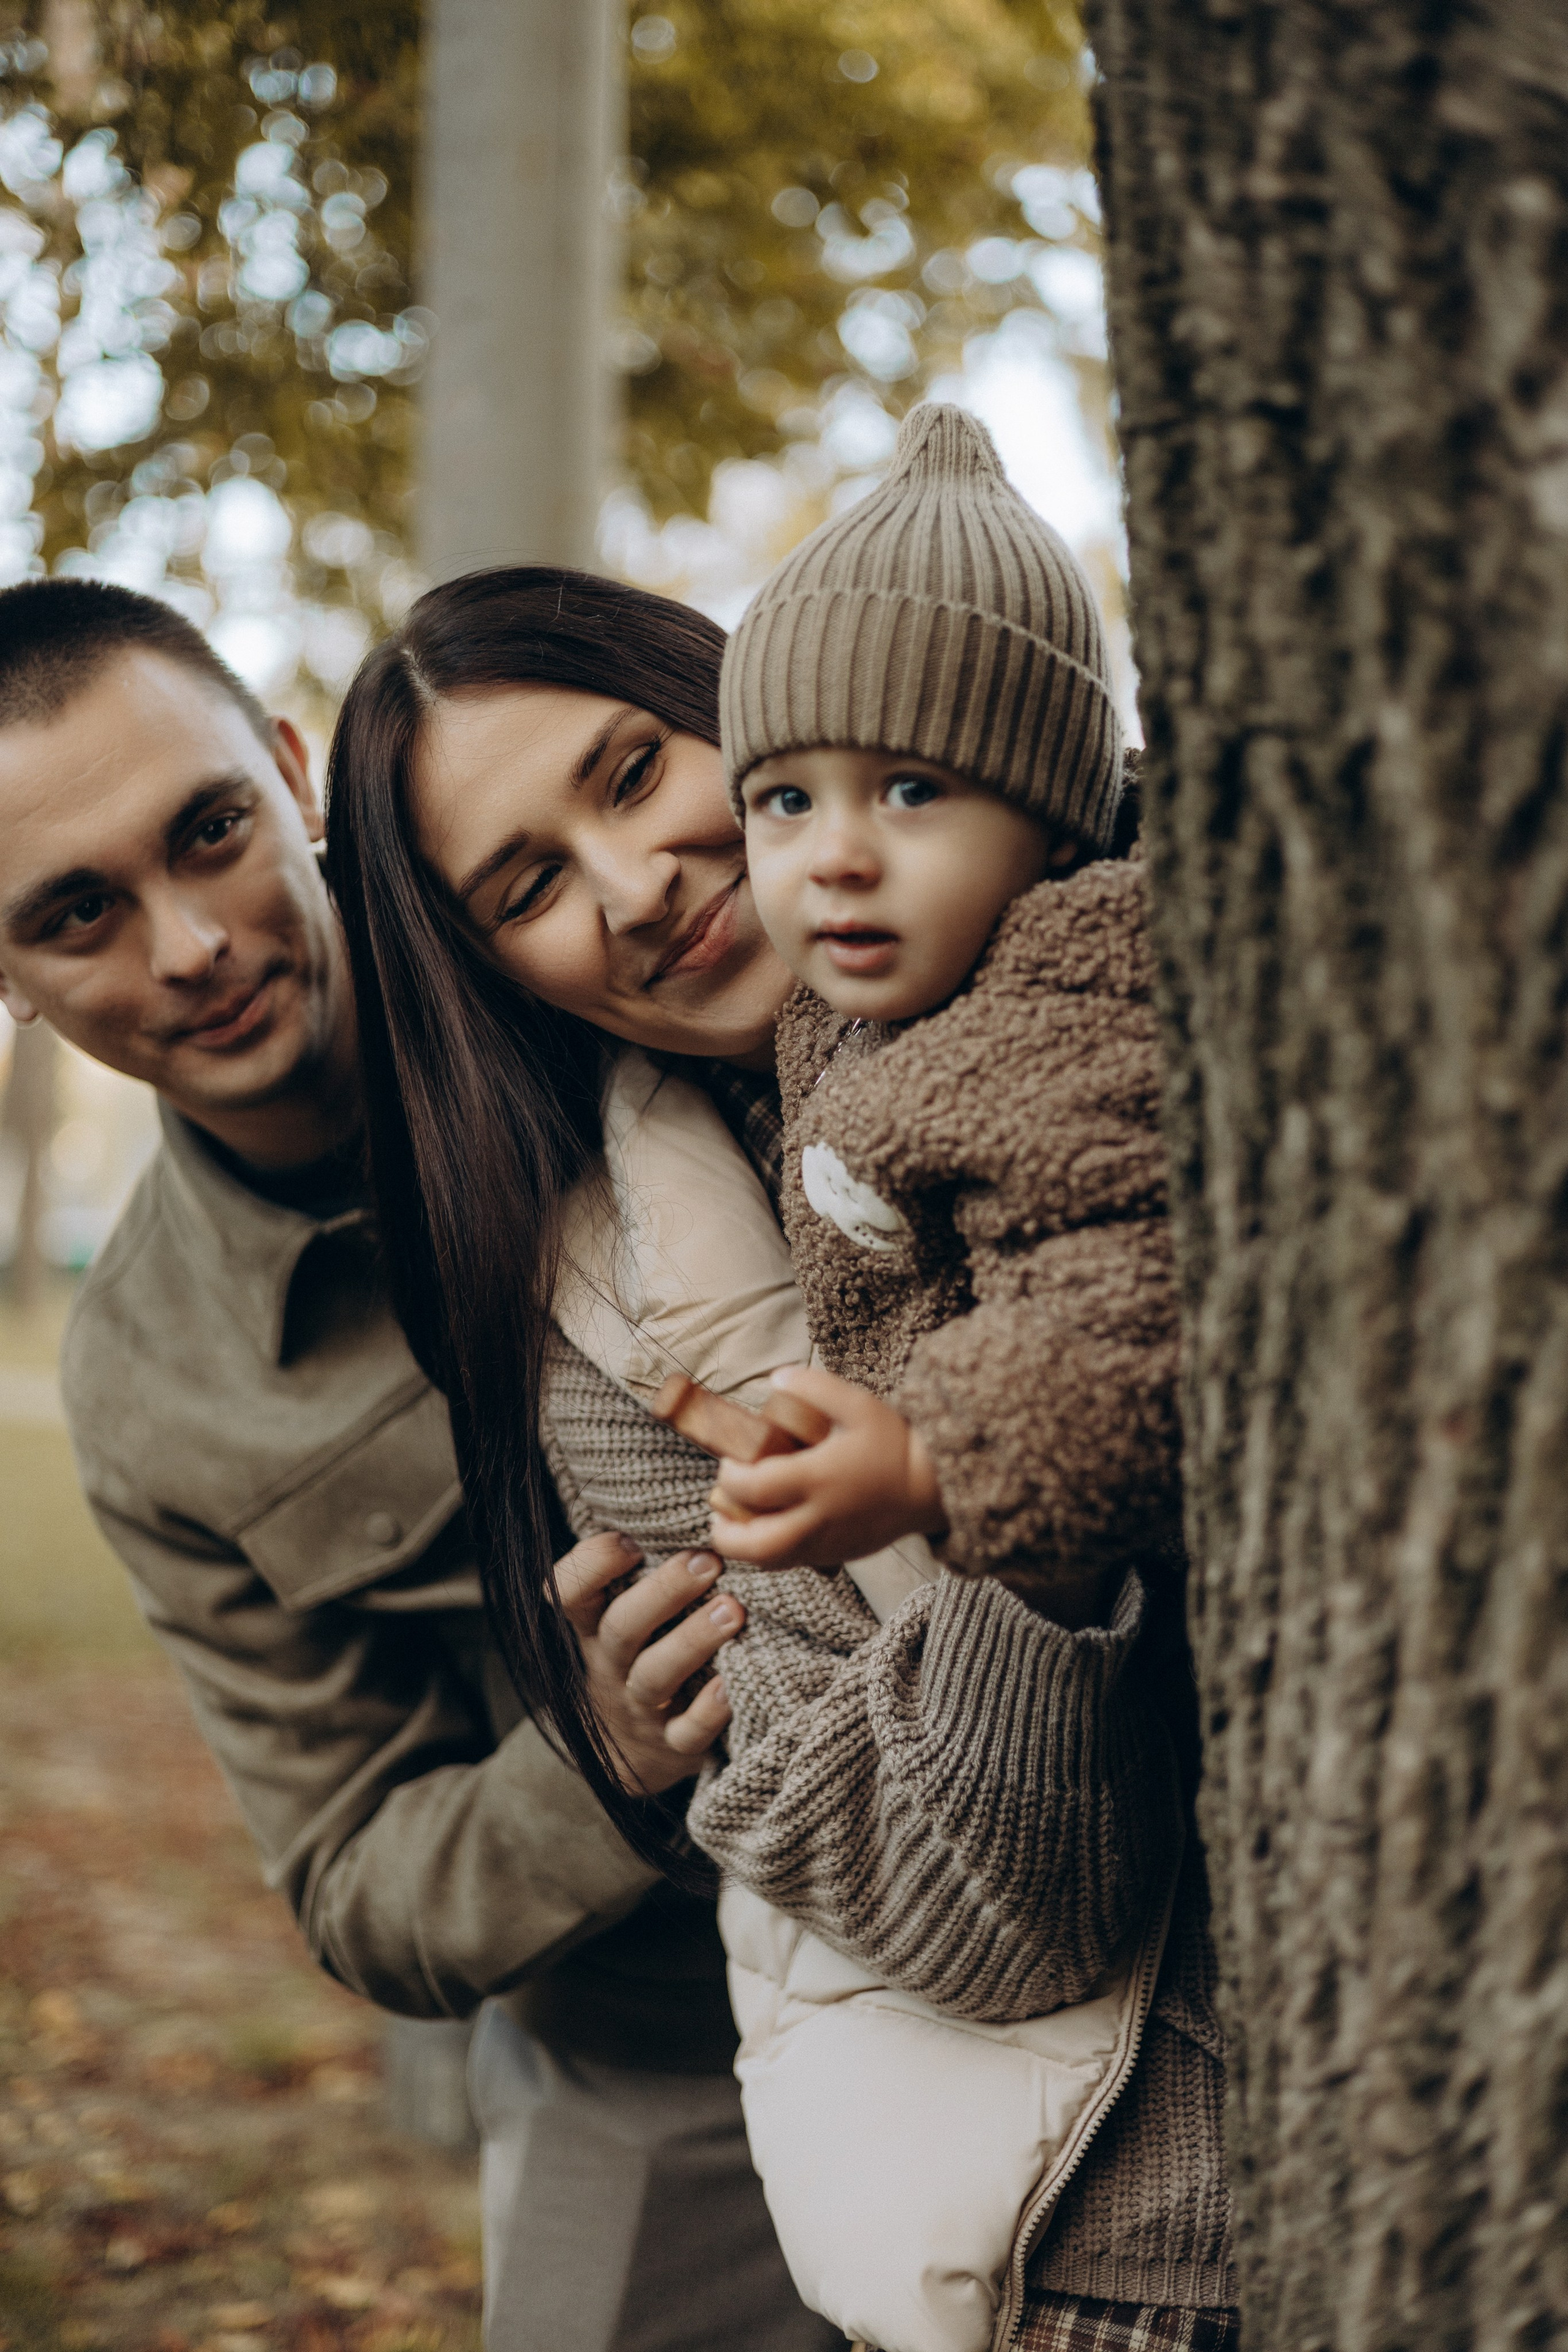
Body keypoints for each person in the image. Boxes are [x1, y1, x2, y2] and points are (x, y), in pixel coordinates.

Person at [323, 560, 1234, 2352]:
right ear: (497, 969)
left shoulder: (1138, 925)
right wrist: (1009, 1503)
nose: (633, 887)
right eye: (527, 887)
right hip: (1140, 2231)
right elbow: (988, 1921)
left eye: (631, 771)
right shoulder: (613, 1335)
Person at [0, 578, 839, 2352]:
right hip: (660, 2032)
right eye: (77, 913)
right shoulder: (155, 1387)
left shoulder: (598, 953)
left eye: (210, 833)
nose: (191, 945)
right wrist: (599, 1760)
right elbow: (356, 1882)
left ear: (292, 769)